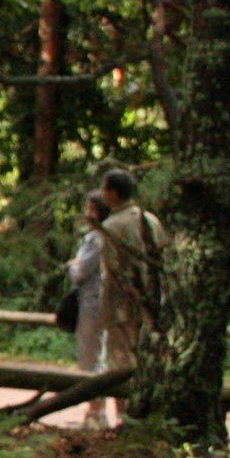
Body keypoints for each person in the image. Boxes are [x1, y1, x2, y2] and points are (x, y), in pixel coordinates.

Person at [96, 165, 165, 421]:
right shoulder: (151, 220)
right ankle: (147, 413)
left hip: (121, 305)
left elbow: (112, 270)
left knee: (121, 361)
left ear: (113, 193)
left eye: (104, 188)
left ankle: (124, 416)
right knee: (147, 356)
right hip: (152, 304)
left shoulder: (112, 225)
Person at [65, 190, 109, 429]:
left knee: (91, 356)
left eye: (89, 208)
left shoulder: (97, 239)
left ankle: (95, 412)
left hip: (93, 302)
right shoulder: (105, 236)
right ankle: (97, 411)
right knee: (98, 355)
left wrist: (71, 266)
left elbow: (81, 272)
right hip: (101, 301)